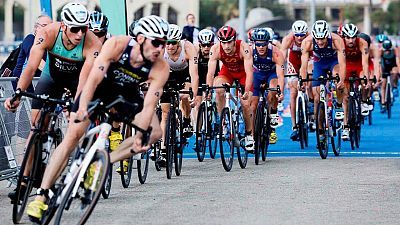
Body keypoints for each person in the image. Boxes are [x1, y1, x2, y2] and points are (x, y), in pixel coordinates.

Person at [23, 15, 170, 221]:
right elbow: (92, 79)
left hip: (127, 94)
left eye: (164, 44)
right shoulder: (117, 45)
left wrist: (139, 133)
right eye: (156, 42)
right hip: (100, 86)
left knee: (154, 133)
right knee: (73, 136)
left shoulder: (161, 67)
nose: (160, 49)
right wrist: (82, 107)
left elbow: (148, 106)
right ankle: (42, 195)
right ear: (140, 39)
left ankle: (104, 161)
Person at [4, 2, 102, 206]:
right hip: (51, 78)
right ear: (64, 26)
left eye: (84, 29)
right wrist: (18, 94)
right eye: (75, 29)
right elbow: (30, 67)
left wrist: (76, 106)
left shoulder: (92, 43)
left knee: (76, 125)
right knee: (35, 127)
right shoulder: (48, 33)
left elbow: (85, 80)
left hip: (77, 81)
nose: (79, 34)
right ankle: (24, 183)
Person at [206, 25, 254, 151]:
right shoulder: (215, 49)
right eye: (223, 42)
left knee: (245, 104)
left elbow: (249, 73)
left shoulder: (244, 48)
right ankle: (224, 123)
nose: (226, 46)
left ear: (234, 40)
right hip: (228, 72)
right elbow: (210, 73)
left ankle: (249, 134)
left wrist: (247, 90)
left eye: (229, 42)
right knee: (218, 89)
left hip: (243, 73)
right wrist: (208, 90)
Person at [300, 20, 346, 144]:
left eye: (323, 39)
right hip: (319, 64)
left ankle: (339, 105)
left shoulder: (337, 40)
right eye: (317, 39)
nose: (320, 42)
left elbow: (342, 63)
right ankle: (320, 129)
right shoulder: (307, 42)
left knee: (338, 78)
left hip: (333, 62)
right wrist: (303, 81)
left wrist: (341, 80)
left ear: (327, 35)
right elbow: (303, 65)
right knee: (317, 98)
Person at [160, 24, 198, 155]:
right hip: (168, 74)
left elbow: (194, 74)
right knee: (165, 111)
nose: (169, 46)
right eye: (167, 43)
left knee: (184, 96)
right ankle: (163, 149)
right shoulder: (160, 48)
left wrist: (194, 94)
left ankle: (186, 119)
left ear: (178, 42)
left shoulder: (188, 48)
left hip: (184, 74)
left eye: (173, 43)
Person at [249, 28, 284, 145]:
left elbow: (280, 75)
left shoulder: (276, 52)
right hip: (257, 74)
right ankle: (252, 137)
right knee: (252, 106)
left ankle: (273, 114)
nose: (261, 47)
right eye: (258, 44)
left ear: (268, 42)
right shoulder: (249, 51)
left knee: (273, 90)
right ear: (254, 43)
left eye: (264, 44)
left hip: (271, 74)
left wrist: (281, 91)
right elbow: (247, 72)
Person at [281, 20, 313, 141]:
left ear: (306, 33)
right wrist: (281, 71)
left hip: (308, 60)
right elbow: (282, 58)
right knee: (293, 93)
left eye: (302, 35)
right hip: (294, 63)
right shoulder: (288, 39)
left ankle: (310, 102)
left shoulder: (310, 39)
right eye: (297, 35)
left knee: (309, 79)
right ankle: (294, 126)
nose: (299, 38)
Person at [340, 23, 370, 140]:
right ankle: (345, 127)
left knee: (363, 79)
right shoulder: (340, 43)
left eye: (353, 37)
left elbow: (365, 63)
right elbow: (339, 63)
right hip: (346, 67)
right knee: (346, 98)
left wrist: (366, 78)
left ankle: (363, 101)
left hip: (359, 66)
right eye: (348, 37)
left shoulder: (363, 43)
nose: (351, 40)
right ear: (344, 37)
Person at [193, 28, 219, 148]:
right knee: (198, 105)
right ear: (200, 45)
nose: (206, 48)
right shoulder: (196, 54)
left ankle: (219, 119)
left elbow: (220, 71)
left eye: (209, 45)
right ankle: (198, 135)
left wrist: (213, 88)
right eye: (204, 45)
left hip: (214, 78)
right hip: (200, 79)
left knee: (218, 96)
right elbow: (193, 73)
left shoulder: (216, 53)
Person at [12, 15, 52, 92]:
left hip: (37, 86)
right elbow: (37, 62)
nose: (48, 29)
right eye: (44, 26)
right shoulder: (30, 39)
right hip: (22, 88)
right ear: (36, 28)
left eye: (51, 26)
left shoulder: (48, 44)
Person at [375, 39, 400, 113]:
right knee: (383, 85)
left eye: (389, 50)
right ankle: (383, 103)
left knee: (395, 72)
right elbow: (378, 64)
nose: (387, 51)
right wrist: (379, 75)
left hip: (393, 66)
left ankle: (394, 86)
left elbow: (398, 61)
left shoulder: (395, 50)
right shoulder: (380, 51)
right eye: (386, 50)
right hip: (384, 67)